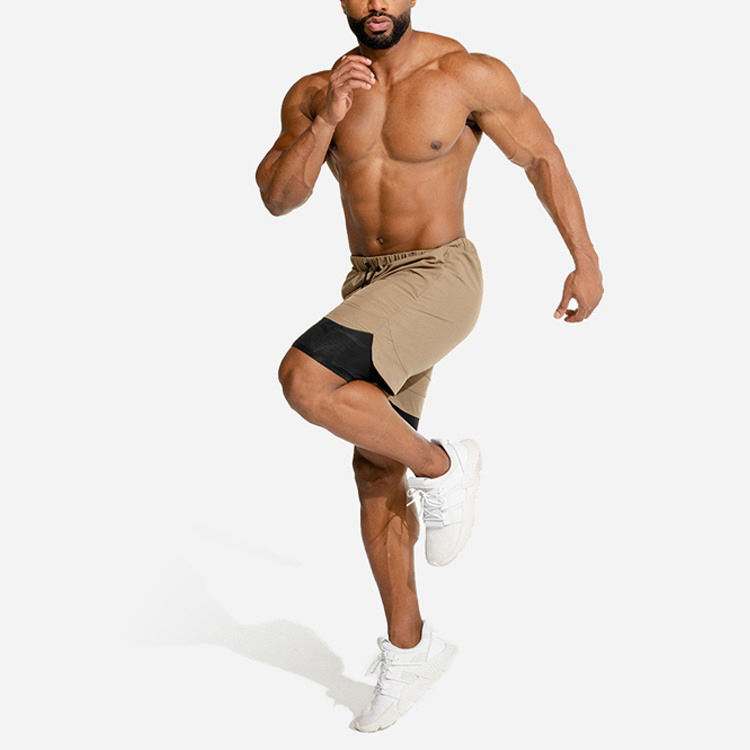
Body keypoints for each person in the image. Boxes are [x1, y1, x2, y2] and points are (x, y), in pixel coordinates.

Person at [255, 0, 604, 732]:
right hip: (369, 287)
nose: (375, 5)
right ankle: (411, 649)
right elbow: (279, 199)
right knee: (374, 469)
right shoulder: (317, 90)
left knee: (305, 379)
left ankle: (443, 465)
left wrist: (585, 259)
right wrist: (326, 120)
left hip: (442, 274)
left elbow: (541, 157)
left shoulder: (466, 73)